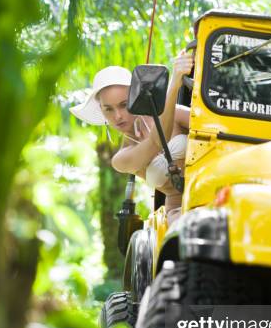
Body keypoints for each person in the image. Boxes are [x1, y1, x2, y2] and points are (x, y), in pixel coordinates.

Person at [70, 51, 193, 223]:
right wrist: (174, 84)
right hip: (179, 213)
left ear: (136, 97)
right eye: (109, 109)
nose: (118, 116)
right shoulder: (120, 159)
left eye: (124, 105)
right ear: (101, 111)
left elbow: (215, 124)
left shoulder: (173, 113)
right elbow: (156, 142)